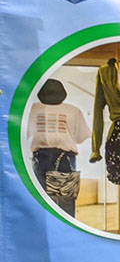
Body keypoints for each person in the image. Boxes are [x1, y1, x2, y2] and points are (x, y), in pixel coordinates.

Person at [27, 78, 90, 217]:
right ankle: (65, 235)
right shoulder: (73, 110)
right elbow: (81, 137)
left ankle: (43, 236)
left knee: (40, 203)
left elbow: (25, 133)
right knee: (65, 203)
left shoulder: (33, 109)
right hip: (64, 158)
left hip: (39, 157)